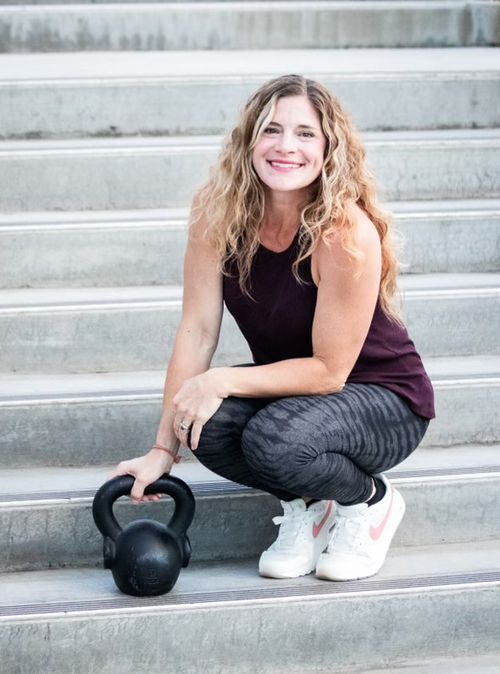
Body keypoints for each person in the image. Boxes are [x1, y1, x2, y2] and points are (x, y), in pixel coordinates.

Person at [112, 74, 435, 582]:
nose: (286, 147)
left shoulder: (343, 231)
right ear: (249, 141)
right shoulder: (216, 211)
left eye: (305, 134)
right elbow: (197, 331)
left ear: (329, 148)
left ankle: (369, 502)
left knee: (270, 437)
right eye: (272, 130)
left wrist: (220, 380)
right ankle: (310, 506)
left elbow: (330, 372)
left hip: (383, 399)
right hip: (295, 396)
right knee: (204, 424)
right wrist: (163, 448)